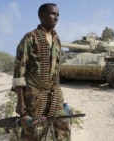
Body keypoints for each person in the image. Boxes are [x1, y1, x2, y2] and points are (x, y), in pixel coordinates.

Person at [11, 3, 70, 141]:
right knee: (31, 130)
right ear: (41, 15)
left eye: (58, 15)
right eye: (53, 14)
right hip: (33, 93)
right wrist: (20, 101)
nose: (56, 18)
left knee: (62, 125)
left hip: (53, 91)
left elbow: (56, 68)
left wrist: (57, 88)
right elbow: (19, 72)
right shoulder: (30, 38)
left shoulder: (56, 38)